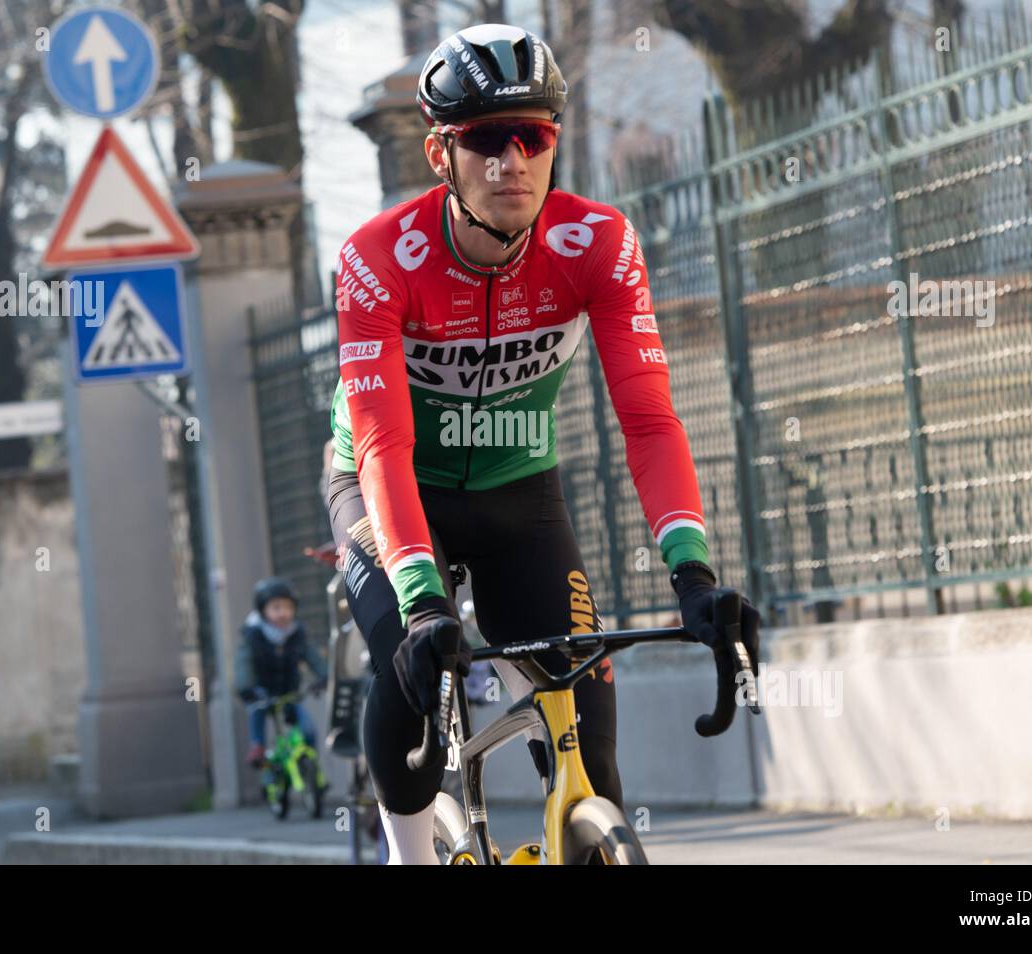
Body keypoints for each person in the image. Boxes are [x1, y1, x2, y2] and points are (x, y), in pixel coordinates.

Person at [325, 23, 761, 864]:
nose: (511, 161)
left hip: (521, 496)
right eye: (486, 139)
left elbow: (648, 416)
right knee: (407, 678)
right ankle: (408, 856)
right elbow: (381, 441)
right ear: (439, 155)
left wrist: (694, 573)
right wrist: (421, 603)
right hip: (390, 488)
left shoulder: (595, 242)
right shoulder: (378, 259)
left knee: (590, 748)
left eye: (533, 136)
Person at [237, 577, 328, 767]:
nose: (283, 613)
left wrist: (324, 676)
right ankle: (258, 747)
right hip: (262, 692)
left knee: (308, 731)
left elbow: (313, 657)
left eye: (288, 608)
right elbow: (243, 663)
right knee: (257, 710)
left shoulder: (297, 634)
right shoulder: (253, 636)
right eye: (276, 608)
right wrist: (246, 688)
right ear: (263, 611)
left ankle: (311, 772)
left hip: (290, 694)